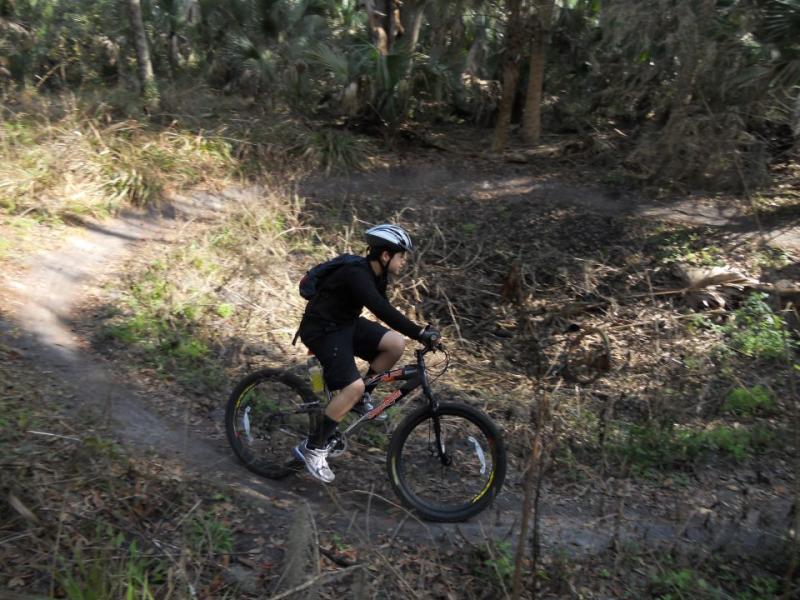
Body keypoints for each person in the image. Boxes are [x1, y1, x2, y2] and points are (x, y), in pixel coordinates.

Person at [293, 224, 441, 483]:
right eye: (401, 255)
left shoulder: (377, 276)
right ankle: (314, 448)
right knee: (353, 387)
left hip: (346, 324)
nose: (404, 261)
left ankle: (361, 398)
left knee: (394, 344)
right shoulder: (356, 273)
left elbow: (383, 307)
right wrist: (420, 333)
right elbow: (381, 310)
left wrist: (419, 333)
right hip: (322, 330)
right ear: (385, 255)